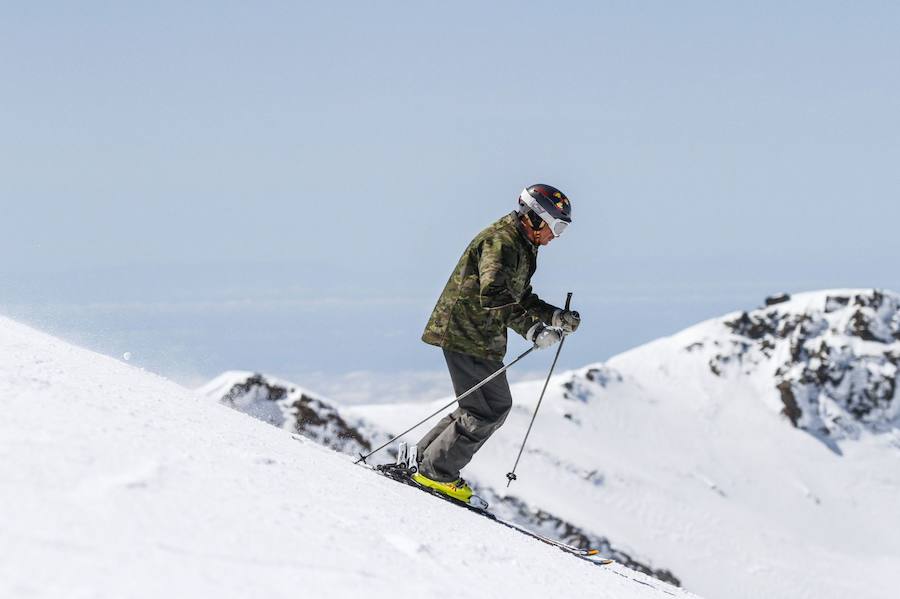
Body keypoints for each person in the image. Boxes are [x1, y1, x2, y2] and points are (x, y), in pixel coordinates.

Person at [413, 184, 580, 502]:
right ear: (534, 218)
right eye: (556, 226)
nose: (556, 236)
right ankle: (436, 472)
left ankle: (424, 461)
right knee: (490, 408)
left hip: (479, 336)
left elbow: (521, 295)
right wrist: (533, 330)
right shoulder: (501, 242)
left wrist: (554, 316)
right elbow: (493, 294)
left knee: (480, 407)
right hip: (467, 333)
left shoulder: (520, 243)